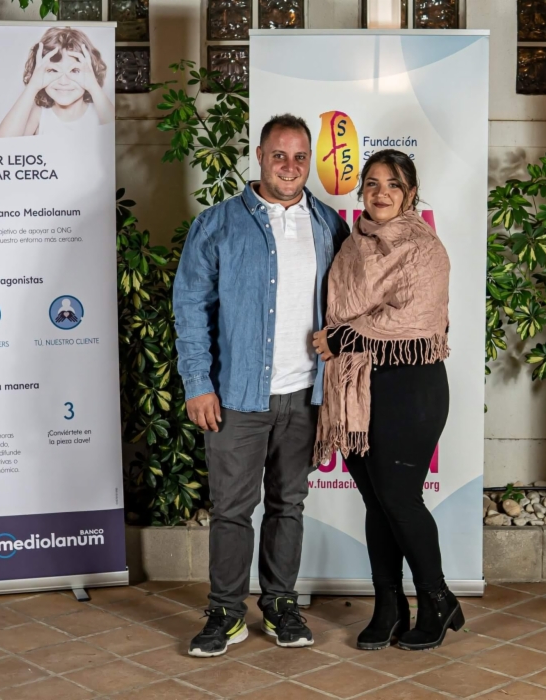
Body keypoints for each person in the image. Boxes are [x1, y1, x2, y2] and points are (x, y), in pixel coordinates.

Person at [174, 114, 349, 657]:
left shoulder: (329, 224)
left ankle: (280, 604)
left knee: (288, 505)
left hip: (306, 396)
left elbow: (349, 303)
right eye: (279, 155)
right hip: (237, 397)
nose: (290, 167)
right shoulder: (218, 224)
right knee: (231, 509)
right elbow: (190, 306)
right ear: (259, 156)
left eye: (300, 157)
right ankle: (225, 612)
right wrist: (197, 383)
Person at [311, 149, 460, 651]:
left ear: (410, 194)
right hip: (357, 389)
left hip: (409, 386)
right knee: (377, 501)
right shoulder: (353, 243)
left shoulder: (424, 248)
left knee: (399, 498)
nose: (381, 193)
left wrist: (342, 337)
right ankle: (389, 607)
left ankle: (438, 600)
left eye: (393, 184)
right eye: (372, 183)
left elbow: (414, 319)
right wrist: (345, 338)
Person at [0, 27, 115, 138]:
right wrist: (33, 86)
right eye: (53, 70)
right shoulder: (40, 114)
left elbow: (115, 135)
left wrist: (93, 86)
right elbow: (2, 144)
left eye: (74, 70)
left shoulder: (101, 112)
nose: (63, 81)